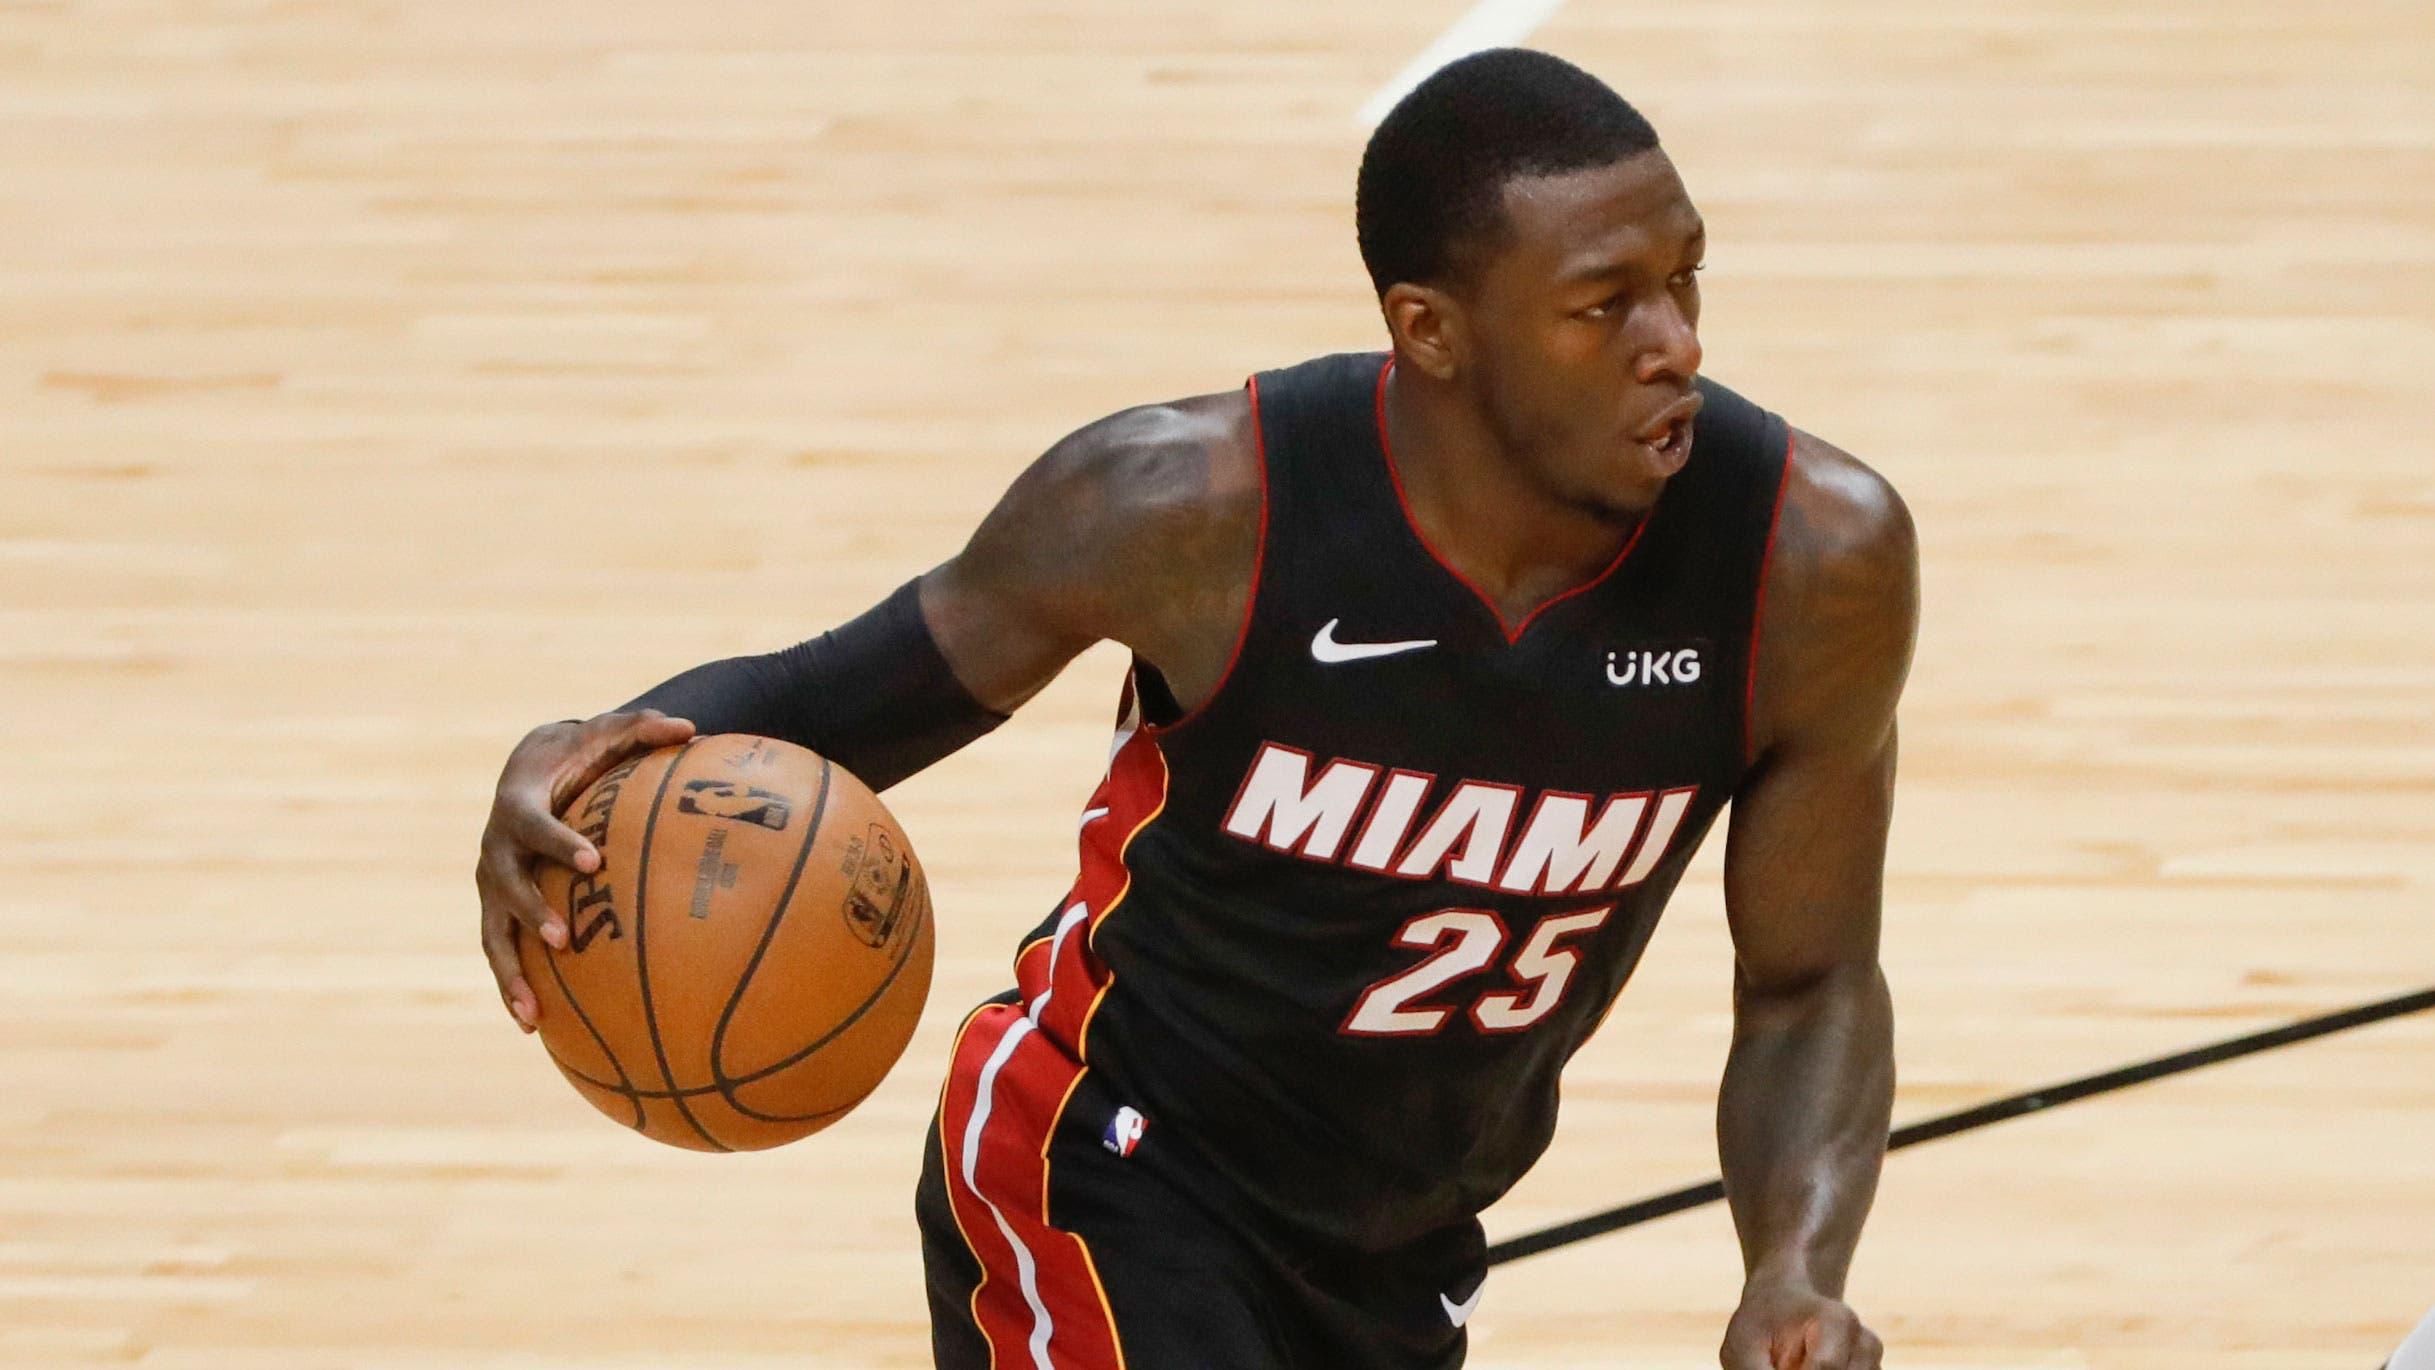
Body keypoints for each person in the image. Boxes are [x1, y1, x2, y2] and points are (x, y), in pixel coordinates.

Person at [474, 47, 1915, 1370]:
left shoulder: (1808, 563)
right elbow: (840, 698)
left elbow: (1809, 983)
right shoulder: (1186, 507)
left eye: (1686, 279)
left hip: (1403, 1242)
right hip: (1102, 1165)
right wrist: (591, 758)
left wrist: (1792, 1268)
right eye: (1606, 305)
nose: (1675, 342)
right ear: (1432, 330)